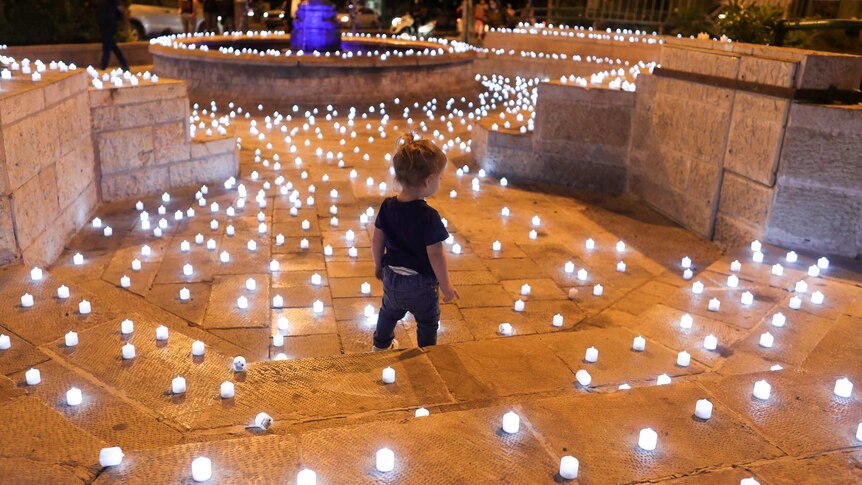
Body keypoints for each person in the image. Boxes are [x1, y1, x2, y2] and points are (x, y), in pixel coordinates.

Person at [372, 133, 459, 351]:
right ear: (429, 180)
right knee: (427, 321)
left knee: (388, 312)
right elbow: (436, 254)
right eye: (440, 177)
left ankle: (380, 345)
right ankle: (427, 352)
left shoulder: (387, 206)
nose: (440, 181)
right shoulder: (428, 216)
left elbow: (377, 238)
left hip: (392, 278)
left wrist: (377, 264)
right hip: (420, 284)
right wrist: (446, 285)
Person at [97, 0, 129, 71]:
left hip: (110, 25)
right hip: (105, 25)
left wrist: (126, 26)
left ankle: (104, 64)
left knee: (107, 44)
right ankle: (124, 64)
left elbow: (122, 10)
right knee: (112, 45)